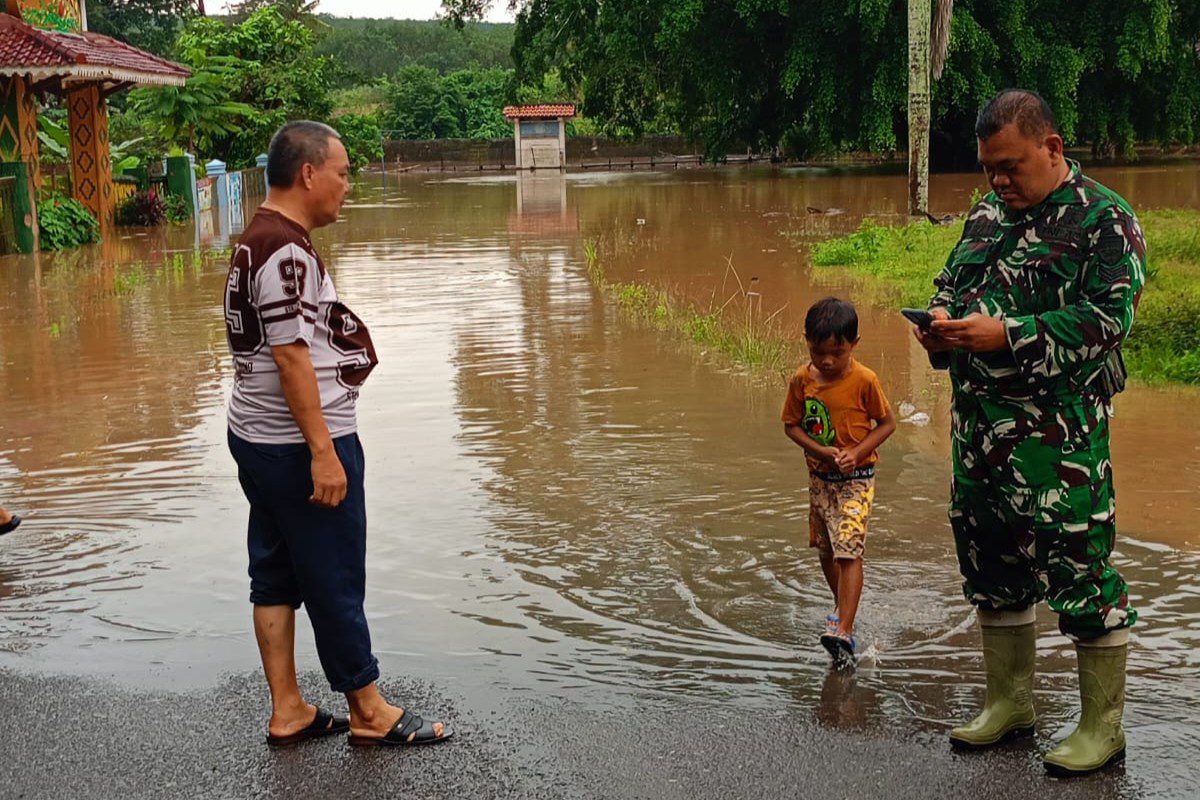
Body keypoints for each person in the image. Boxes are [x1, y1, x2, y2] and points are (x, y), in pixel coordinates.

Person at [914, 89, 1144, 776]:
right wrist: (941, 319)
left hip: (1058, 440)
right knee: (990, 565)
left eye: (1011, 166)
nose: (999, 182)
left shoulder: (1104, 220)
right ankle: (1009, 705)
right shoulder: (987, 213)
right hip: (980, 431)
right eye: (989, 168)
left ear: (1052, 147)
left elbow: (1108, 321)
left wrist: (1007, 334)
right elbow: (952, 279)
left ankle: (1102, 727)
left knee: (1078, 567)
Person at [224, 120, 452, 748]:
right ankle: (368, 709)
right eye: (344, 173)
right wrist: (324, 452)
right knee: (334, 572)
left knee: (273, 570)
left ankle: (289, 709)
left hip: (256, 437)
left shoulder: (256, 238)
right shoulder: (287, 251)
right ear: (308, 174)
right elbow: (292, 357)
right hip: (298, 445)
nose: (347, 186)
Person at [782, 297, 896, 663]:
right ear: (807, 343)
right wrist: (820, 450)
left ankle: (843, 628)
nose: (827, 361)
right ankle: (842, 609)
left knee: (849, 546)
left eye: (837, 352)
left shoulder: (865, 380)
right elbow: (791, 426)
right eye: (819, 352)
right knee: (827, 549)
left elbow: (888, 424)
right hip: (820, 478)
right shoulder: (802, 380)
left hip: (856, 478)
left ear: (854, 345)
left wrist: (857, 452)